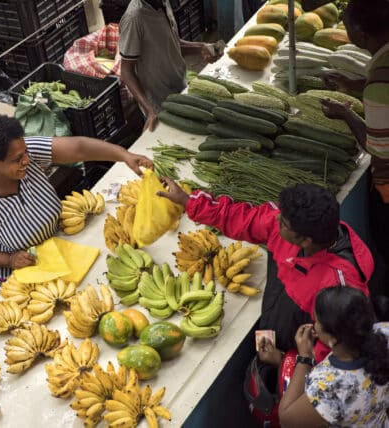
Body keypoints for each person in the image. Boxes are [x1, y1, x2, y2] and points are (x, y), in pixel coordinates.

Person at [158, 181, 374, 363]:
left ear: (305, 240)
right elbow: (242, 218)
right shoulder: (295, 226)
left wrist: (285, 360)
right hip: (276, 317)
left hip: (296, 357)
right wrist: (188, 201)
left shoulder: (341, 287)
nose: (276, 219)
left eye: (284, 223)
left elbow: (336, 353)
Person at [0, 115, 153, 292]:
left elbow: (79, 148)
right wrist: (8, 260)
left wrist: (124, 155)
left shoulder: (27, 153)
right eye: (17, 159)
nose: (26, 160)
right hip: (17, 276)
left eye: (25, 152)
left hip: (55, 253)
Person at [321, 0, 389, 296]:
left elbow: (378, 148)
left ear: (360, 33)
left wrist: (346, 115)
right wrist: (353, 84)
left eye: (347, 26)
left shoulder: (379, 85)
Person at [278, 286, 389, 427]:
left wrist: (304, 357)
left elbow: (286, 420)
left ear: (333, 339)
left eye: (317, 321)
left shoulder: (331, 388)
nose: (314, 325)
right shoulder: (385, 332)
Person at [119, 0, 222, 132]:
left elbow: (171, 43)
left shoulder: (163, 3)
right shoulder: (134, 18)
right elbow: (126, 71)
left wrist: (201, 47)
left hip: (180, 88)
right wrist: (149, 110)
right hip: (159, 105)